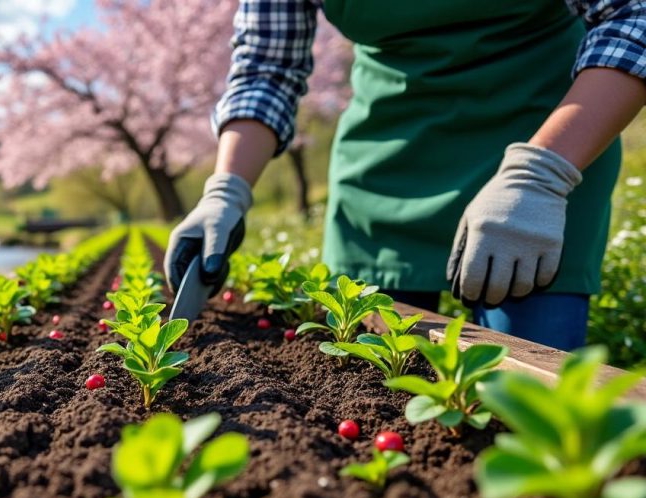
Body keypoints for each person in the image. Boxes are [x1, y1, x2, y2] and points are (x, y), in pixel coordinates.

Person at [165, 0, 646, 351]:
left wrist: (540, 173)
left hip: (544, 148)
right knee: (366, 379)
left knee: (529, 399)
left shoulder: (540, 172)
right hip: (386, 165)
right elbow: (266, 68)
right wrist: (226, 190)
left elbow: (633, 16)